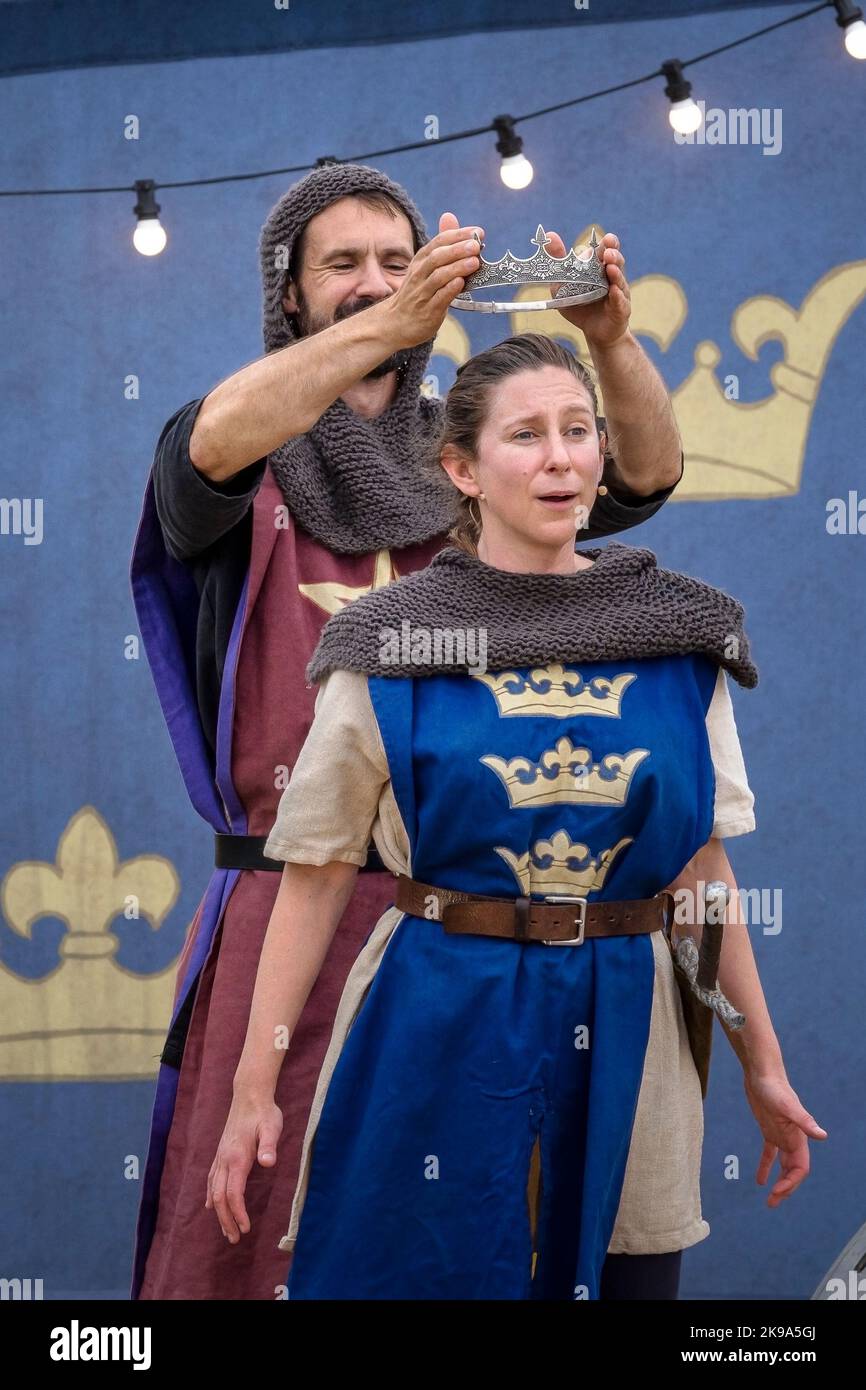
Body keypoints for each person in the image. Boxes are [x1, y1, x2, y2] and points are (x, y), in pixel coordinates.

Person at [130, 161, 685, 1299]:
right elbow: (207, 443)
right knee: (240, 1240)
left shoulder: (476, 452)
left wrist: (608, 337)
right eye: (343, 265)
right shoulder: (245, 440)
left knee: (448, 1241)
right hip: (285, 909)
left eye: (396, 261)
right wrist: (393, 321)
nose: (374, 283)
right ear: (287, 295)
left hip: (457, 924)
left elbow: (645, 470)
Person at [207, 333, 827, 1301]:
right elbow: (318, 873)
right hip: (440, 1013)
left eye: (578, 432)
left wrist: (763, 1064)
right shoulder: (388, 641)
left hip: (630, 1016)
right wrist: (254, 1090)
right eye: (526, 435)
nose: (560, 459)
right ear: (461, 466)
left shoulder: (678, 634)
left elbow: (699, 876)